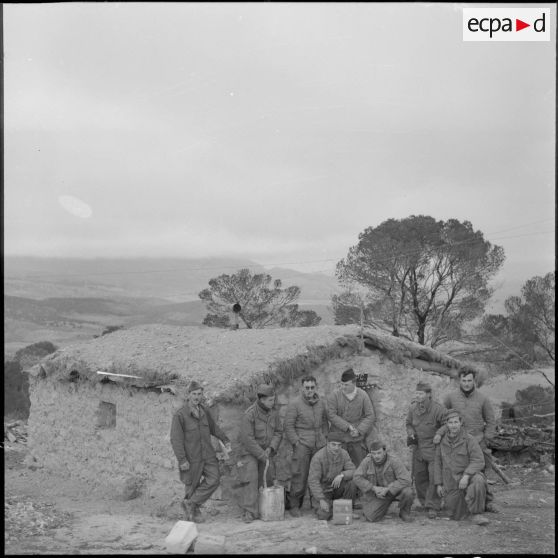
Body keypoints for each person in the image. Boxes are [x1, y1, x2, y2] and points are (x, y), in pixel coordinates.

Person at [434, 368, 497, 512]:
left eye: (469, 380)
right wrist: (440, 433)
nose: (467, 384)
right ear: (459, 381)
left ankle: (486, 502)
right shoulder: (451, 398)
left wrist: (486, 439)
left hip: (478, 440)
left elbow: (491, 421)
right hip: (457, 441)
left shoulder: (483, 399)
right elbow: (444, 418)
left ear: (474, 380)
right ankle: (459, 499)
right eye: (464, 380)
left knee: (479, 474)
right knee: (456, 471)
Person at [170, 380, 231, 523]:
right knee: (191, 486)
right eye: (194, 394)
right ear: (188, 395)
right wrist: (182, 460)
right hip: (192, 457)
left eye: (199, 394)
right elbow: (176, 439)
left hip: (208, 455)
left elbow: (214, 428)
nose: (197, 397)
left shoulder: (204, 411)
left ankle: (191, 503)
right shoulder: (180, 415)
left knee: (214, 479)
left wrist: (225, 439)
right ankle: (191, 516)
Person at [434, 410, 490, 525]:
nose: (453, 425)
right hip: (451, 481)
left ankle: (476, 514)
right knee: (454, 513)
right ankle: (470, 503)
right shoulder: (442, 442)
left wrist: (466, 475)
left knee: (478, 480)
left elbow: (478, 460)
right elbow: (438, 463)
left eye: (456, 422)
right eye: (450, 422)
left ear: (460, 423)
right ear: (446, 425)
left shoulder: (469, 439)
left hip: (468, 477)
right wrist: (439, 484)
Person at [284, 375, 329, 517]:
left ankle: (317, 505)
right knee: (300, 475)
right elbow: (288, 426)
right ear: (302, 388)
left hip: (319, 444)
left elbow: (324, 422)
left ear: (316, 387)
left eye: (312, 387)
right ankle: (295, 505)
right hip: (302, 444)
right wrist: (296, 442)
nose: (309, 390)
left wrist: (325, 438)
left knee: (318, 475)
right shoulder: (295, 404)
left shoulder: (320, 403)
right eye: (307, 387)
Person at [237, 384, 283, 523]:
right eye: (270, 400)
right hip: (250, 452)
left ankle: (266, 508)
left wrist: (271, 448)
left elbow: (278, 432)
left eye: (273, 399)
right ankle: (249, 512)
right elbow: (247, 439)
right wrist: (261, 454)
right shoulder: (250, 414)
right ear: (262, 400)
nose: (273, 402)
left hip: (267, 451)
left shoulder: (273, 413)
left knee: (268, 478)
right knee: (251, 477)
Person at [405, 381, 447, 519]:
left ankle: (433, 506)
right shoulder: (413, 408)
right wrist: (410, 433)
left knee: (434, 477)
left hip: (433, 448)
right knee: (419, 477)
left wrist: (439, 433)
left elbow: (447, 424)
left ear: (428, 394)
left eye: (421, 393)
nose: (418, 395)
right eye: (416, 393)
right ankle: (424, 502)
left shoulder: (438, 409)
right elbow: (409, 424)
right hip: (418, 448)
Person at [353, 440, 415, 523]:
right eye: (373, 453)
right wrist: (373, 488)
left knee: (408, 492)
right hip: (378, 494)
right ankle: (382, 507)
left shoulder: (394, 460)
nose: (376, 456)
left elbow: (406, 479)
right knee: (371, 517)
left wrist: (388, 489)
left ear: (385, 452)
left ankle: (404, 512)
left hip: (395, 492)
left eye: (379, 453)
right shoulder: (367, 461)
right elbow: (357, 477)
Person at [326, 368, 375, 467]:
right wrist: (347, 426)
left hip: (356, 439)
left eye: (346, 385)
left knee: (359, 467)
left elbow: (370, 415)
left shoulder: (363, 395)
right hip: (339, 440)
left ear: (354, 383)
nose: (343, 387)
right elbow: (331, 415)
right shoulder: (335, 395)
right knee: (338, 467)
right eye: (342, 384)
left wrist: (359, 430)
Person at [307, 431, 358, 520]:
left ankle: (347, 509)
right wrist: (321, 499)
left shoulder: (344, 453)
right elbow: (313, 480)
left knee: (352, 483)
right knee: (324, 516)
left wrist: (342, 475)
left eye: (339, 445)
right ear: (327, 444)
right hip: (323, 491)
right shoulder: (318, 457)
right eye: (333, 445)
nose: (336, 448)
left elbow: (353, 470)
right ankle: (337, 508)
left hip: (336, 487)